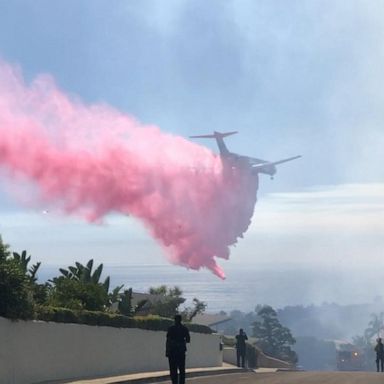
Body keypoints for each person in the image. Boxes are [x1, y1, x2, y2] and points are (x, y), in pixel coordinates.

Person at [166, 314, 191, 384]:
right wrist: (182, 342)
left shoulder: (171, 328)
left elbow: (168, 340)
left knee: (173, 369)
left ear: (174, 320)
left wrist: (167, 351)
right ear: (181, 320)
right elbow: (188, 340)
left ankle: (174, 382)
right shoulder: (184, 328)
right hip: (181, 351)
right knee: (181, 369)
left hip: (172, 352)